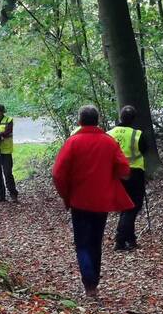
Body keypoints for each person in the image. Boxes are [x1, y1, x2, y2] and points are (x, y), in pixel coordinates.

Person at [52, 105, 133, 300]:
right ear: (98, 120)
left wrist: (66, 195)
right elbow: (124, 169)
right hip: (101, 201)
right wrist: (110, 176)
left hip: (79, 201)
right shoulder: (109, 142)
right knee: (95, 242)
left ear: (80, 121)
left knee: (82, 243)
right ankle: (93, 282)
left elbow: (57, 174)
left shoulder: (73, 143)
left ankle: (89, 282)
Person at [107, 105, 147, 251]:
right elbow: (144, 150)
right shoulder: (137, 134)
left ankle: (131, 239)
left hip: (116, 174)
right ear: (133, 119)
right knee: (132, 207)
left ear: (120, 117)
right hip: (134, 173)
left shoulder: (109, 133)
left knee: (126, 207)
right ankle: (120, 240)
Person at [0, 104, 19, 203]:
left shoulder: (9, 120)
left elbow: (7, 132)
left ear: (2, 111)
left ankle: (13, 194)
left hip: (6, 151)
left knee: (7, 173)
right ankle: (1, 195)